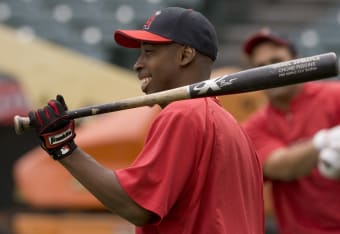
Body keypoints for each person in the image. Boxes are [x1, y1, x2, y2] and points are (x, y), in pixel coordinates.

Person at [25, 7, 265, 234]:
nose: (137, 64)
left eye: (149, 52)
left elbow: (136, 207)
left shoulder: (184, 114)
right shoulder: (235, 129)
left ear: (185, 55)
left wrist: (64, 147)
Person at [241, 28, 340, 234]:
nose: (271, 72)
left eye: (277, 61)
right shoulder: (253, 128)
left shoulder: (335, 97)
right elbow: (281, 166)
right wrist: (324, 141)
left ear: (298, 61)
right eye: (260, 67)